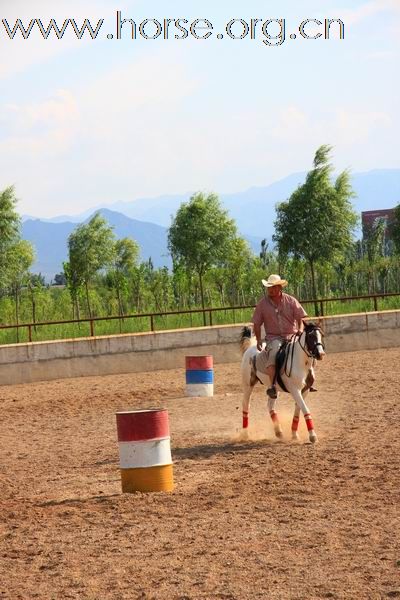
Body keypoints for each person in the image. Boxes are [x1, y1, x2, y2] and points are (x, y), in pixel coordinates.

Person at [251, 273, 307, 400]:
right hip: (273, 338)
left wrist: (300, 330)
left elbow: (301, 318)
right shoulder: (262, 305)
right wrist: (259, 339)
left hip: (292, 335)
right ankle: (272, 386)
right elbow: (256, 323)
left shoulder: (291, 301)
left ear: (280, 287)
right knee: (274, 354)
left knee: (307, 351)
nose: (270, 289)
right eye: (269, 287)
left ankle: (309, 379)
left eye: (273, 287)